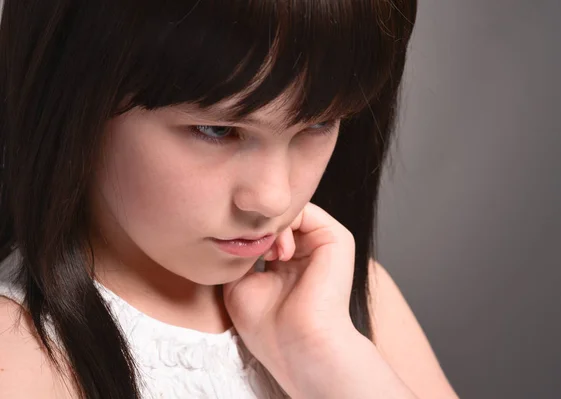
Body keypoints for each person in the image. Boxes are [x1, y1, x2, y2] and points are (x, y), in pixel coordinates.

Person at [0, 0, 458, 398]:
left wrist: (330, 364)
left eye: (318, 125)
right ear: (74, 96)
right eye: (218, 130)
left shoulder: (345, 303)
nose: (272, 199)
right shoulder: (18, 354)